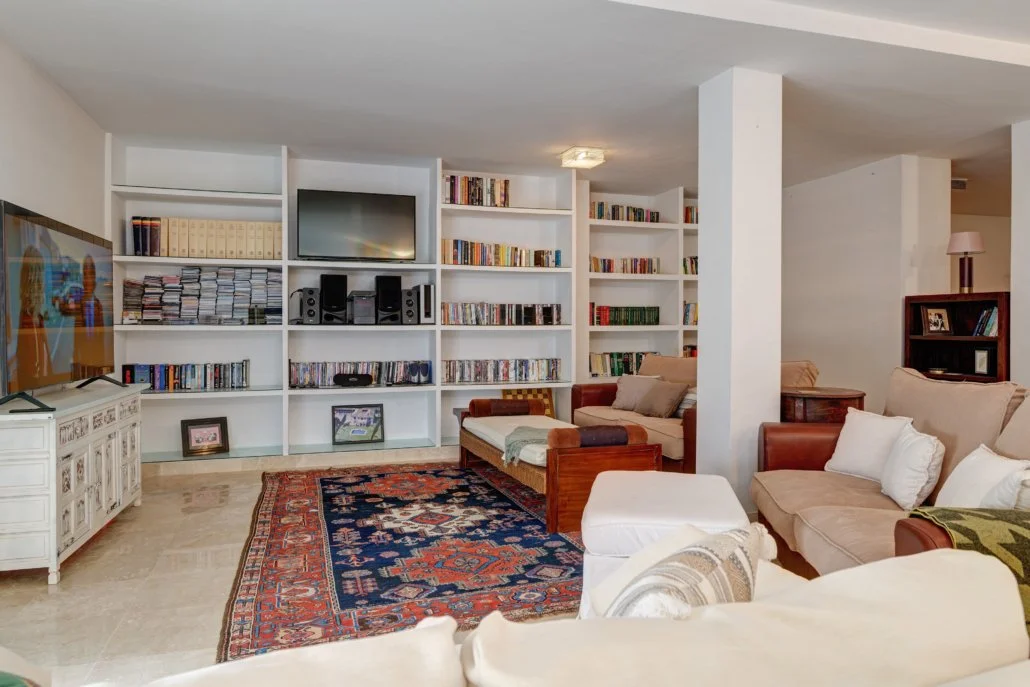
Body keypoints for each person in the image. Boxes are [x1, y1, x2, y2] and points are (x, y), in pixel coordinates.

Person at [12, 245, 53, 391]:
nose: (44, 281)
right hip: (36, 387)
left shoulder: (33, 314)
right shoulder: (28, 317)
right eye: (42, 274)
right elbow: (33, 368)